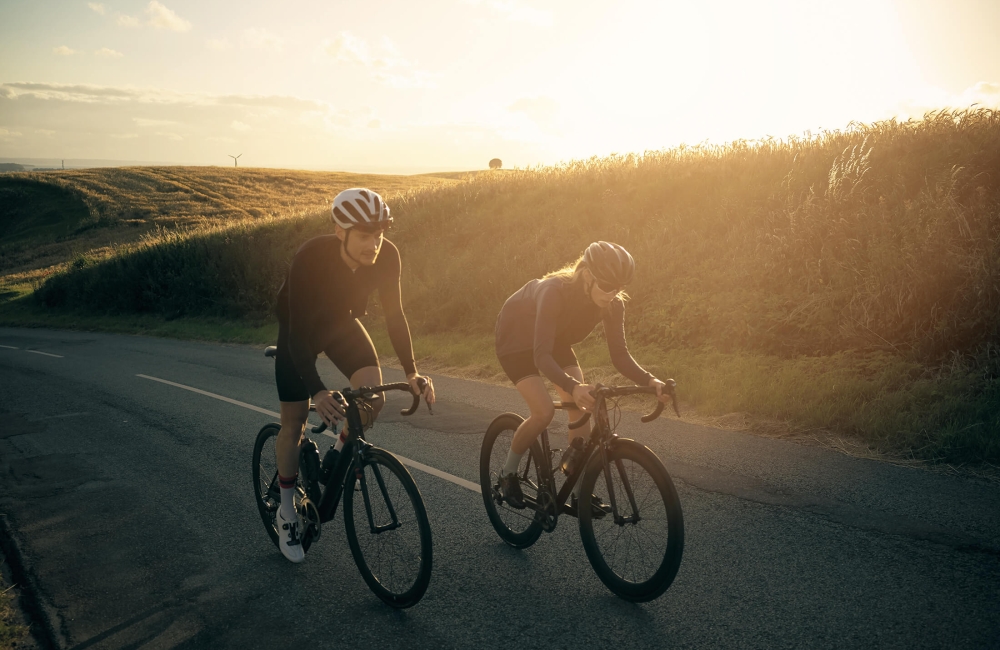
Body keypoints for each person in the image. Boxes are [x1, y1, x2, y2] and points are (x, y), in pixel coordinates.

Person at [272, 187, 435, 563]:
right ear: (340, 231)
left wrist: (412, 371)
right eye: (365, 235)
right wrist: (317, 390)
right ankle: (286, 512)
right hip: (299, 329)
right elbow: (297, 334)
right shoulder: (311, 257)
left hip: (341, 325)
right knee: (293, 423)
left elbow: (395, 316)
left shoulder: (388, 256)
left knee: (371, 398)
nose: (374, 244)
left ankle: (339, 454)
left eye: (379, 234)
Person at [493, 241, 671, 515]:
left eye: (619, 287)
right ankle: (507, 474)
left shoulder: (612, 305)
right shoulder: (554, 291)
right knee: (544, 411)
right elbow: (541, 356)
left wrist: (651, 381)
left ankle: (578, 492)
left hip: (554, 339)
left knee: (582, 404)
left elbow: (620, 356)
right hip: (516, 337)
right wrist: (573, 386)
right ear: (587, 275)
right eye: (608, 286)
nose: (613, 294)